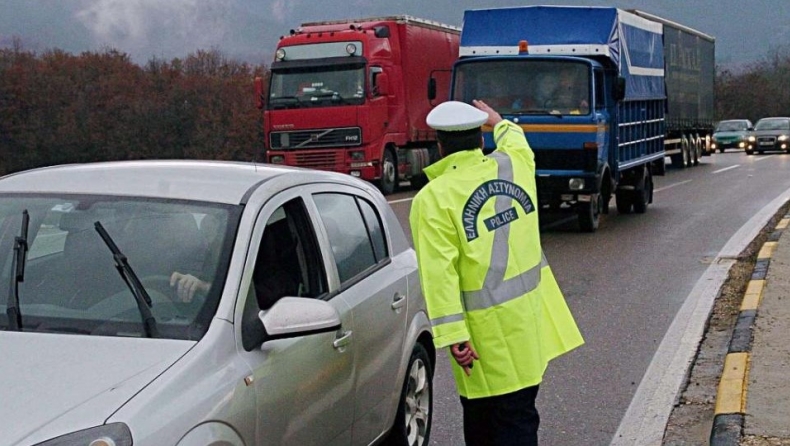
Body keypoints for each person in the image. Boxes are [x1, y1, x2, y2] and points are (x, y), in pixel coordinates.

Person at [409, 100, 584, 445]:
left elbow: (439, 276)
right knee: (515, 418)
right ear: (480, 139)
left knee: (489, 426)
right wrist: (499, 121)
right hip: (529, 329)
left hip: (482, 341)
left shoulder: (433, 199)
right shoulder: (515, 166)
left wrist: (454, 336)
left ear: (440, 146)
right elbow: (517, 141)